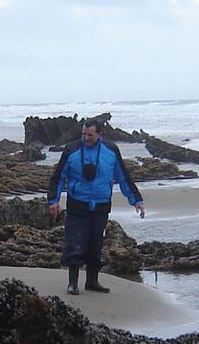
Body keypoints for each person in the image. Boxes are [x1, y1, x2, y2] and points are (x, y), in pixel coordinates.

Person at [47, 118, 145, 295]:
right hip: (78, 204)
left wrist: (136, 200)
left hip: (100, 205)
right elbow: (58, 177)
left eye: (90, 135)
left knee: (95, 244)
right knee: (75, 243)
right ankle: (73, 283)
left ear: (99, 134)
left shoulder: (111, 150)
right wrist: (53, 201)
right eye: (83, 134)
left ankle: (92, 282)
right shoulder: (71, 150)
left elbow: (123, 177)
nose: (86, 137)